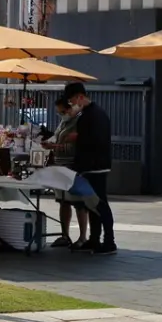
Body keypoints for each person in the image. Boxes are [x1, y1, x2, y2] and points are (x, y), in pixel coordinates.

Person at [64, 82, 116, 255]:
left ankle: (109, 241)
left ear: (80, 97)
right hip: (91, 166)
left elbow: (95, 141)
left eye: (72, 100)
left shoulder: (93, 115)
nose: (72, 104)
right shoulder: (89, 113)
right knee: (92, 205)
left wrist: (77, 138)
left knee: (100, 204)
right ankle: (94, 239)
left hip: (96, 166)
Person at [42, 97, 89, 249]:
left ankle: (82, 237)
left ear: (71, 108)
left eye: (63, 111)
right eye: (59, 113)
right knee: (63, 201)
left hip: (72, 166)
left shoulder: (79, 122)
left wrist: (56, 146)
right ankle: (65, 235)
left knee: (78, 203)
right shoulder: (64, 123)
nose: (62, 115)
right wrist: (50, 143)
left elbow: (78, 145)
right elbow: (57, 136)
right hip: (59, 164)